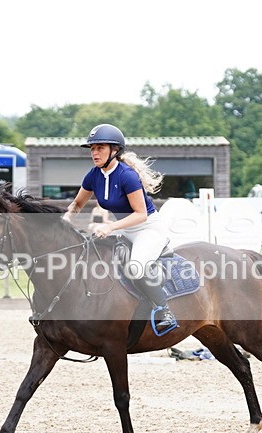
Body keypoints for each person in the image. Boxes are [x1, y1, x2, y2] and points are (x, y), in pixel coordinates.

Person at [63, 123, 178, 335]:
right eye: (92, 148)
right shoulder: (93, 175)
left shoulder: (127, 176)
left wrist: (110, 227)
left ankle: (164, 310)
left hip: (148, 229)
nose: (94, 153)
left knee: (136, 267)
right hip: (124, 229)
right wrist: (66, 218)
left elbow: (141, 214)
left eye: (100, 148)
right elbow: (77, 204)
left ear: (114, 150)